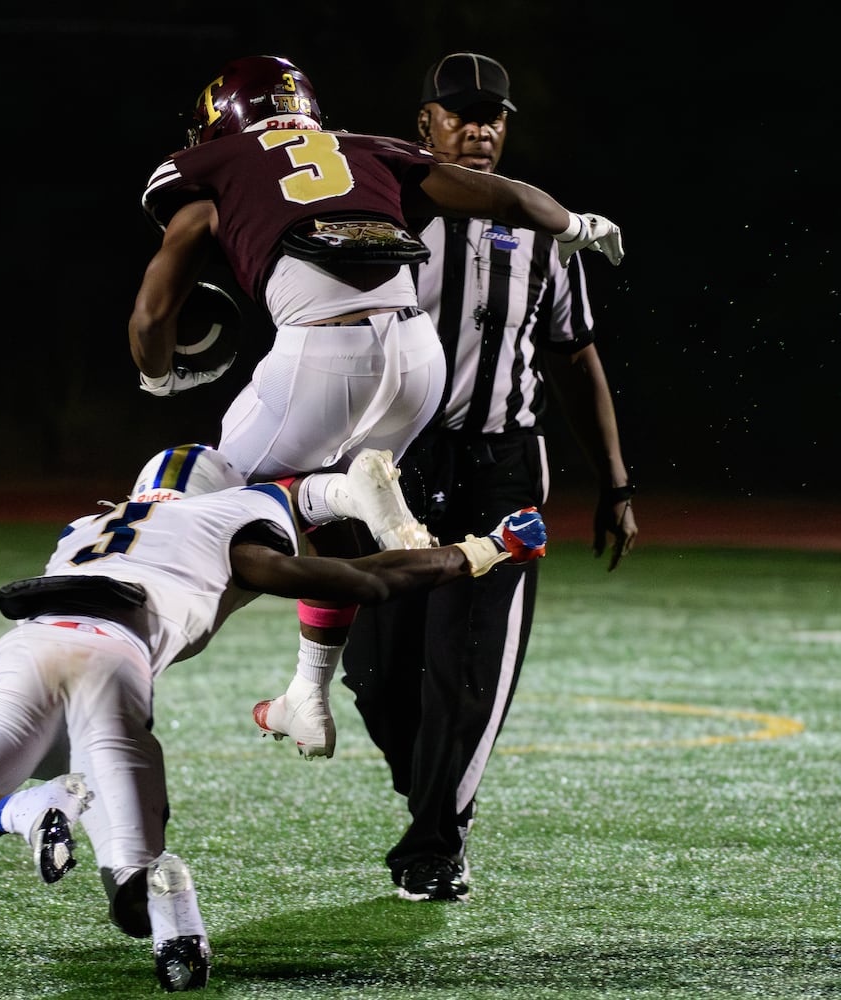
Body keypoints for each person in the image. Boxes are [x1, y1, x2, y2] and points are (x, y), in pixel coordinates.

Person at [0, 442, 549, 993]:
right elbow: (361, 581)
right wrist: (484, 549)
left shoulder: (86, 526)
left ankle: (32, 809)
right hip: (114, 664)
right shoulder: (237, 513)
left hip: (30, 647)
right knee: (130, 895)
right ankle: (171, 909)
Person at [128, 54, 625, 764]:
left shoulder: (213, 167)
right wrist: (578, 227)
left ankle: (118, 633)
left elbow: (152, 317)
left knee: (205, 498)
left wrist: (156, 377)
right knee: (316, 512)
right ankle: (309, 689)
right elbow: (506, 197)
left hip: (322, 351)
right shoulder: (367, 148)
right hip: (419, 361)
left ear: (225, 122)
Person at [256, 53, 639, 903]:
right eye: (459, 114)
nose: (478, 129)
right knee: (376, 673)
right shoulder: (376, 205)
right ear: (422, 124)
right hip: (390, 464)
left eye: (493, 117)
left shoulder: (541, 226)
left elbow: (574, 355)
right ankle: (429, 793)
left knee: (469, 665)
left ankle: (436, 841)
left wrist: (614, 481)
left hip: (502, 465)